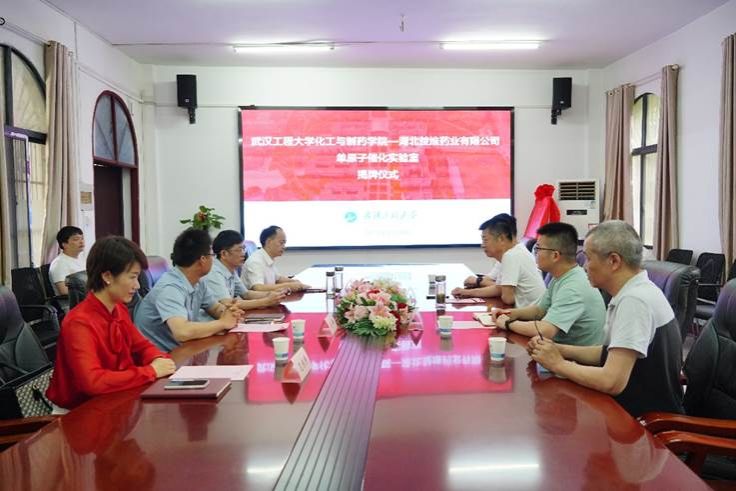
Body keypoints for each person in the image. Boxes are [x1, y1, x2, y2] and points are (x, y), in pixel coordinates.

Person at [529, 220, 684, 417]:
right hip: (625, 408)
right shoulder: (632, 292)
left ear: (614, 261)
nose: (584, 266)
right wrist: (558, 349)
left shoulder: (635, 301)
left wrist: (558, 364)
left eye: (588, 258)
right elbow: (609, 352)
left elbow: (612, 381)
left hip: (642, 422)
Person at [46, 236, 176, 411]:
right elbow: (93, 382)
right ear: (107, 276)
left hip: (115, 398)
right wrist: (150, 371)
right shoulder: (79, 322)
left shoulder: (118, 308)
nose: (137, 285)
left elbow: (142, 346)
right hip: (80, 412)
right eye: (132, 277)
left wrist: (157, 359)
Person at [494, 222, 604, 346]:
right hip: (557, 349)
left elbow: (545, 331)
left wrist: (508, 323)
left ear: (555, 255)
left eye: (538, 249)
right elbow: (540, 310)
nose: (535, 253)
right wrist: (510, 313)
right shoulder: (561, 277)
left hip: (572, 355)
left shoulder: (573, 287)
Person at [134, 228, 241, 352]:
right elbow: (182, 332)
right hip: (159, 357)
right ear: (202, 259)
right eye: (212, 255)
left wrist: (229, 312)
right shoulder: (170, 288)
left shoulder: (198, 282)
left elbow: (215, 308)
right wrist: (222, 323)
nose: (214, 260)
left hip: (183, 350)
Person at [451, 213, 545, 307]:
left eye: (485, 240)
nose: (482, 245)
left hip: (532, 313)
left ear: (501, 239)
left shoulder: (511, 256)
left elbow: (507, 298)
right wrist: (467, 293)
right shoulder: (516, 251)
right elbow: (498, 288)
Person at [200, 230, 286, 320]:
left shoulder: (230, 269)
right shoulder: (214, 272)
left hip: (226, 319)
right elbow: (228, 303)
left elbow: (246, 294)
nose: (243, 253)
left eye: (244, 248)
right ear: (224, 254)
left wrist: (271, 294)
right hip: (209, 322)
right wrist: (265, 301)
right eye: (239, 250)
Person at [242, 225, 309, 292]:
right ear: (268, 242)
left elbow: (278, 279)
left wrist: (294, 282)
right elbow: (258, 288)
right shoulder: (255, 261)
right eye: (281, 243)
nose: (284, 247)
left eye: (284, 243)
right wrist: (288, 285)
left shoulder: (268, 257)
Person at [48, 225, 86, 295]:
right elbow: (64, 292)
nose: (81, 242)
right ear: (64, 244)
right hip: (74, 301)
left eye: (82, 238)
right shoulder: (59, 263)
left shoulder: (82, 259)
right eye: (76, 239)